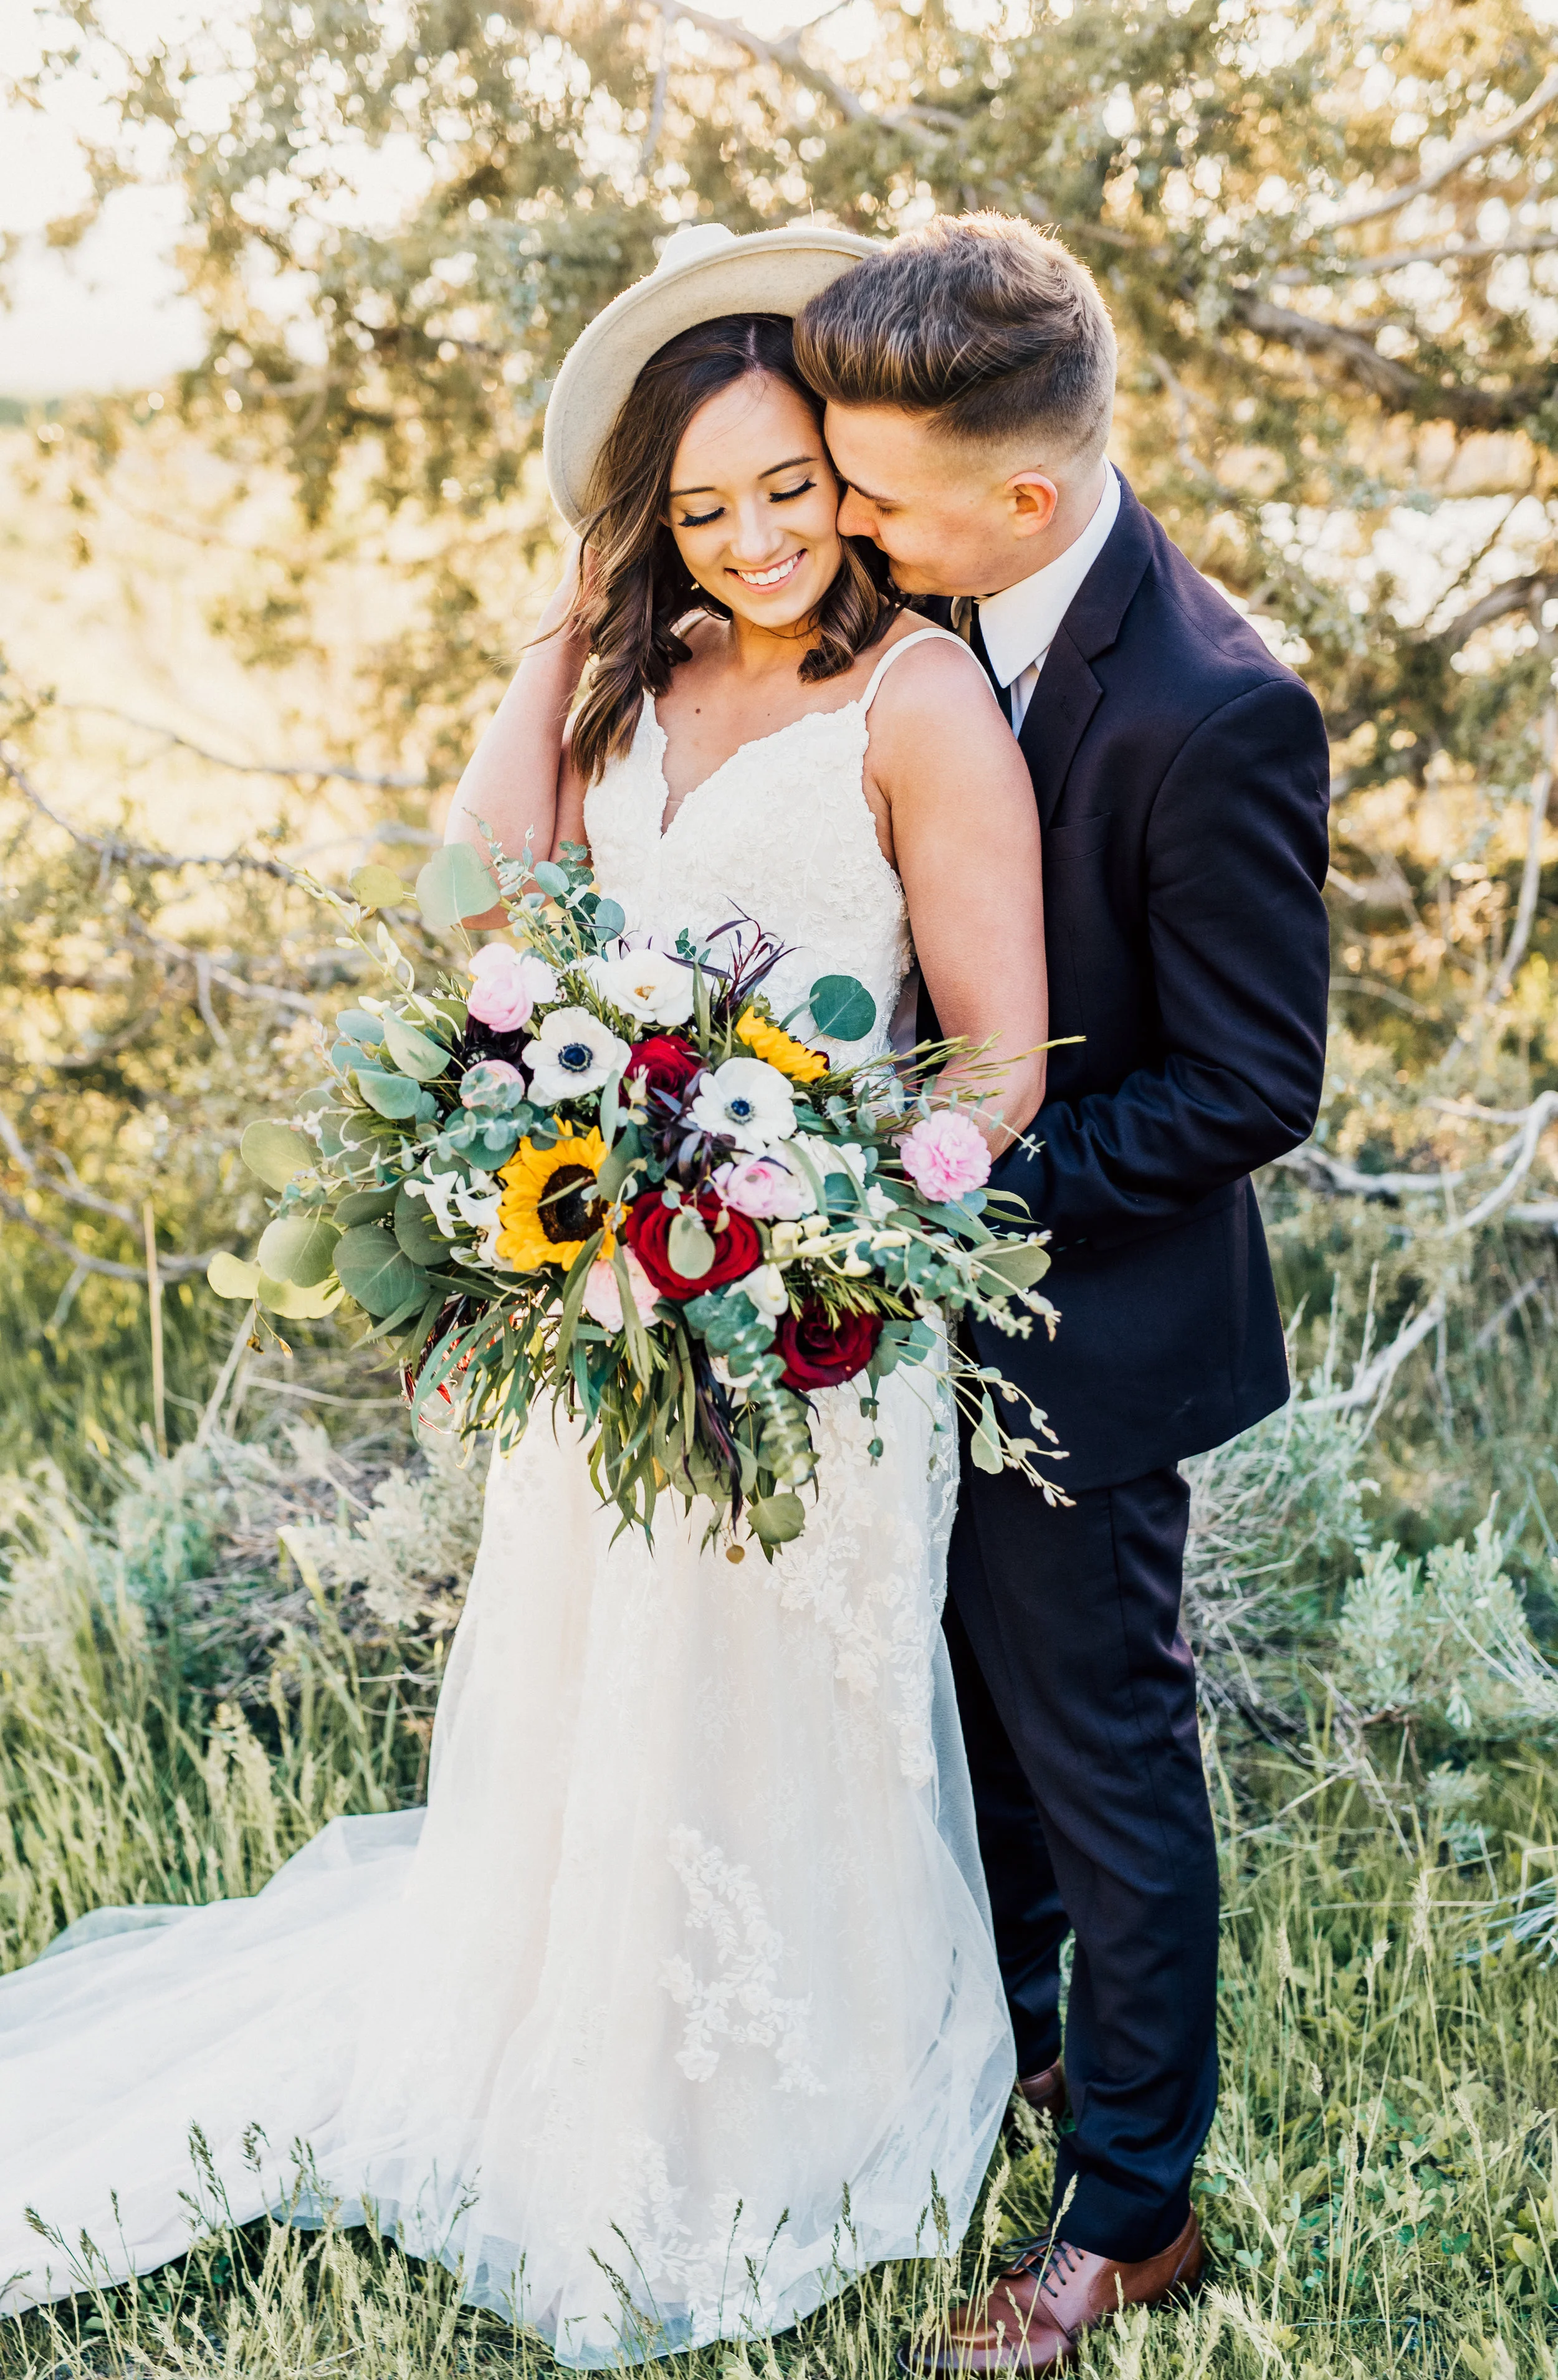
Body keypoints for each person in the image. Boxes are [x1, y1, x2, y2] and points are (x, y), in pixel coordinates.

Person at [0, 225, 1049, 2366]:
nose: (753, 539)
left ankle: (790, 2095)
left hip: (821, 1319)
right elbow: (482, 906)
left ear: (849, 477)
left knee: (790, 1712)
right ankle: (579, 2053)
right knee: (605, 1684)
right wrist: (580, 615)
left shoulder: (920, 699)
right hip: (611, 1300)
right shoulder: (634, 677)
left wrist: (831, 1211)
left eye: (788, 488)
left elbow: (999, 1059)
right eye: (699, 506)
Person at [795, 214, 1332, 2369]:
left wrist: (941, 1213)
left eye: (872, 493)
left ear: (1020, 498)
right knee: (970, 1731)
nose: (843, 524)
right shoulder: (922, 615)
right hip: (880, 1326)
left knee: (1105, 1767)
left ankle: (1128, 2208)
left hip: (1080, 1345)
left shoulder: (1214, 708)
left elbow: (1246, 1084)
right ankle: (1013, 2048)